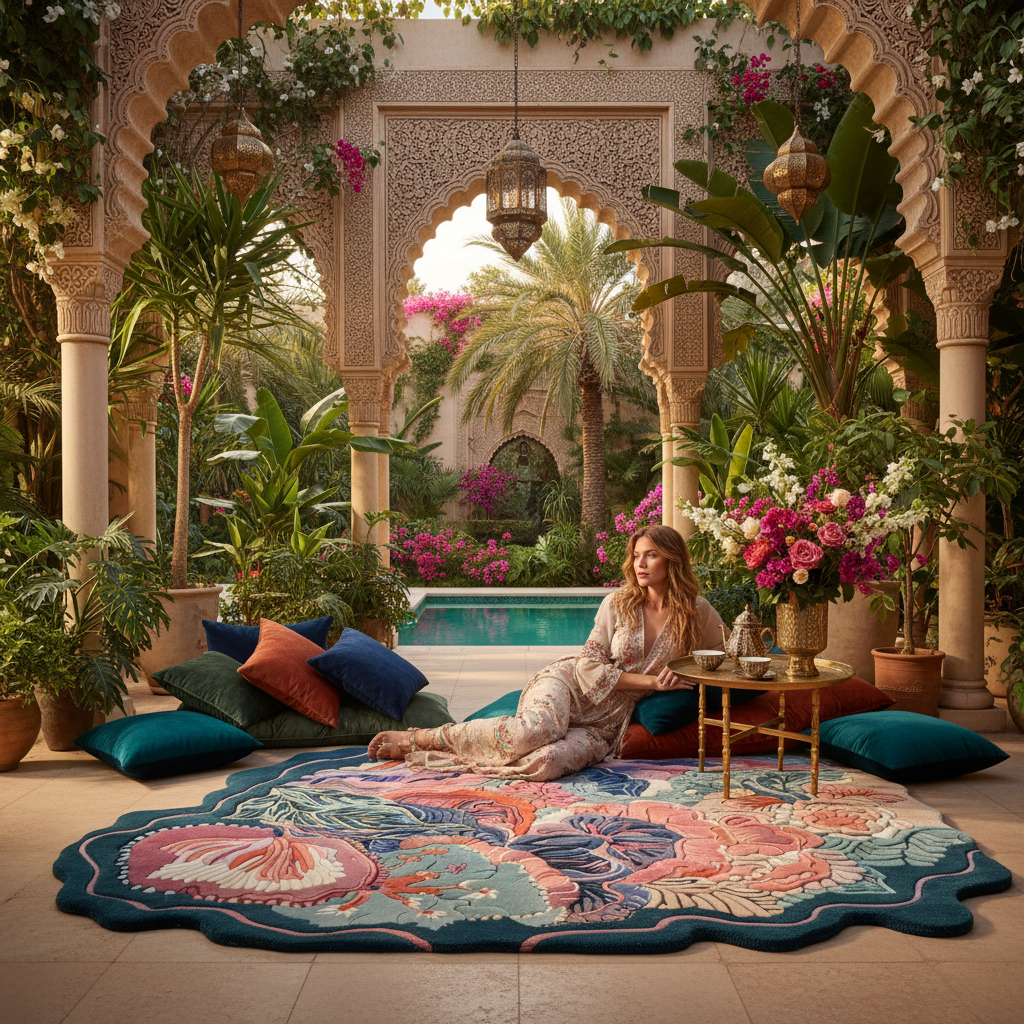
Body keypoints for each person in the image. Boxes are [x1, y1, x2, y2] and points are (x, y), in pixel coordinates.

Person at [367, 524, 726, 781]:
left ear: (672, 560)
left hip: (608, 722)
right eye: (636, 556)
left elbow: (722, 658)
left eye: (651, 555)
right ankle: (419, 738)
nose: (640, 564)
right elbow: (587, 665)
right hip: (571, 685)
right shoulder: (617, 603)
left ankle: (433, 756)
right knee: (531, 733)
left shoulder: (697, 611)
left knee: (546, 764)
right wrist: (653, 681)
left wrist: (688, 673)